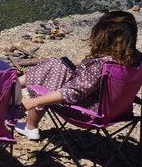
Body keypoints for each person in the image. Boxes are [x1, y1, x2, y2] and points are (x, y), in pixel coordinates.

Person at [16, 11, 142, 140]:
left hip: (88, 114)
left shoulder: (102, 64)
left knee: (52, 68)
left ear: (104, 34)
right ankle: (12, 85)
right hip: (118, 112)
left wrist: (33, 101)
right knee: (58, 65)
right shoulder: (137, 61)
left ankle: (27, 120)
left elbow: (72, 93)